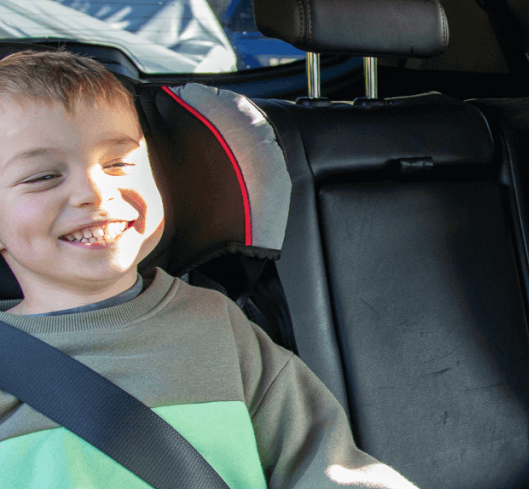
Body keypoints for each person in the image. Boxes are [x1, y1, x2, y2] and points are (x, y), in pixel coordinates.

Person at [0, 50, 416, 488]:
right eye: (43, 176)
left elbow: (326, 465)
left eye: (119, 163)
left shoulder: (220, 328)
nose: (95, 192)